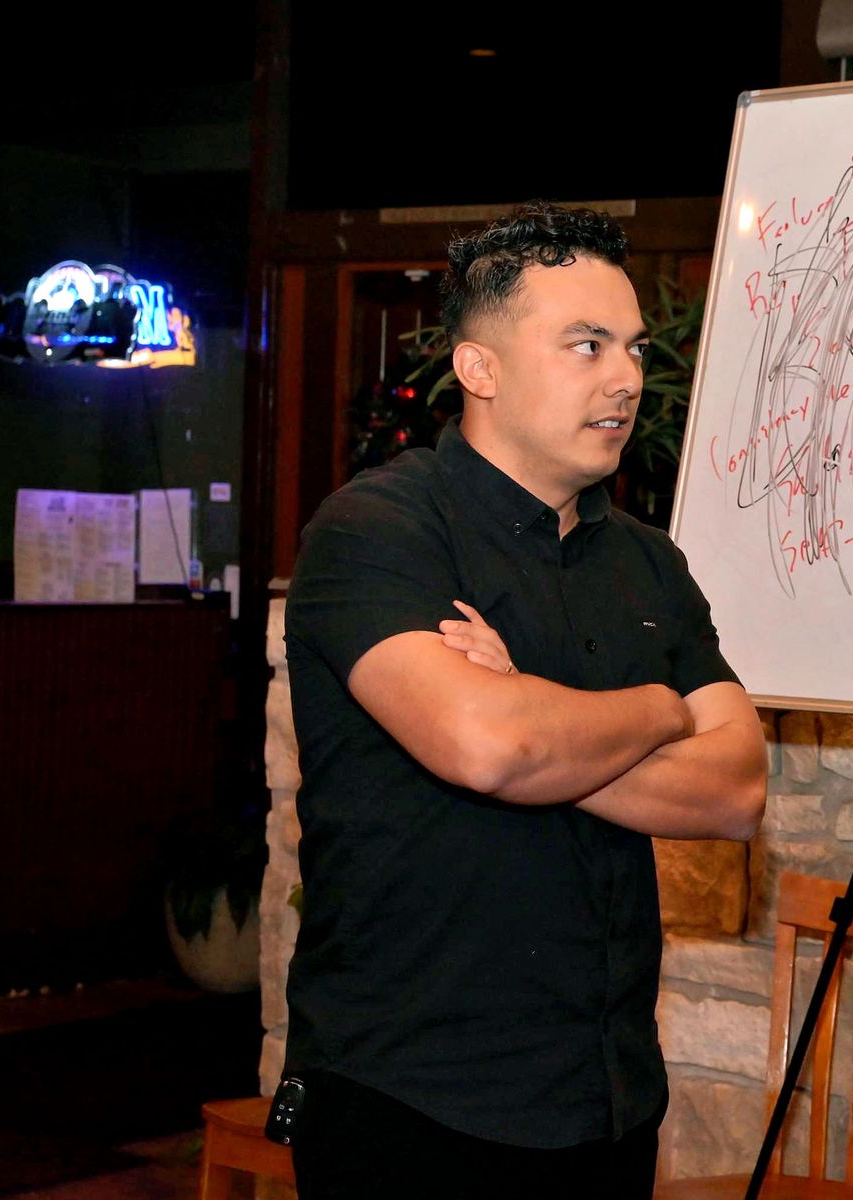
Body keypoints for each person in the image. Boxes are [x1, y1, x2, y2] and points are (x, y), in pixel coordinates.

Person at [281, 202, 767, 1198]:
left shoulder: (648, 563)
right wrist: (663, 711)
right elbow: (488, 748)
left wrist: (537, 717)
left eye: (633, 348)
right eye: (586, 346)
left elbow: (736, 791)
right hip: (413, 1102)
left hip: (607, 1100)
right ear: (480, 368)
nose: (625, 377)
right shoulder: (378, 528)